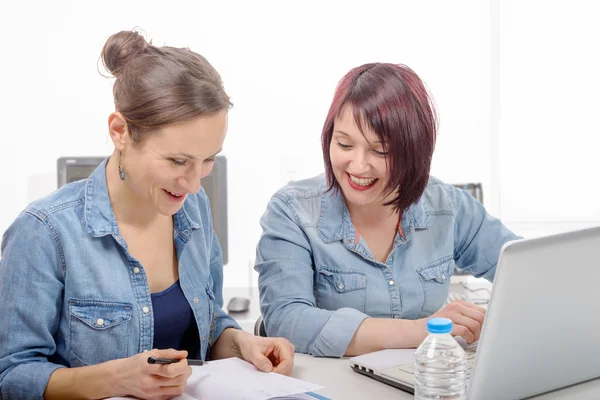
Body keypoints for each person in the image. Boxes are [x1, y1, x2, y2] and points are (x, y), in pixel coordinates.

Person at [0, 30, 293, 399]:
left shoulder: (193, 209)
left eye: (208, 160)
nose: (193, 185)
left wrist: (241, 344)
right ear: (120, 131)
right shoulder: (44, 232)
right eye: (177, 161)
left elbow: (209, 322)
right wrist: (116, 380)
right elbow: (11, 376)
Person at [254, 62, 519, 358]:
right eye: (344, 144)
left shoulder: (447, 206)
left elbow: (527, 270)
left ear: (414, 151)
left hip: (421, 382)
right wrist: (424, 329)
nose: (358, 166)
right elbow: (287, 320)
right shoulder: (293, 211)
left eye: (380, 151)